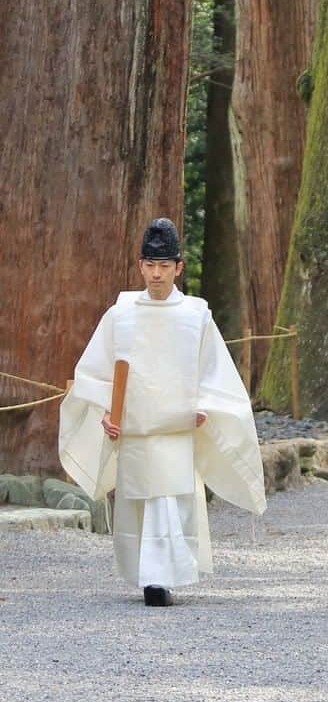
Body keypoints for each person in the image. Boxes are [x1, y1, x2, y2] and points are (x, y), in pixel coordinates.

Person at [59, 217, 266, 605]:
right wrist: (108, 411)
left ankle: (161, 579)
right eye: (150, 266)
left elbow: (214, 371)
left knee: (170, 503)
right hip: (135, 429)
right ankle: (150, 577)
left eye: (165, 266)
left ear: (178, 268)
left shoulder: (196, 316)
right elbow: (95, 372)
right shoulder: (120, 315)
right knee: (140, 504)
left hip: (176, 428)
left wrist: (205, 405)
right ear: (140, 266)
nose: (156, 274)